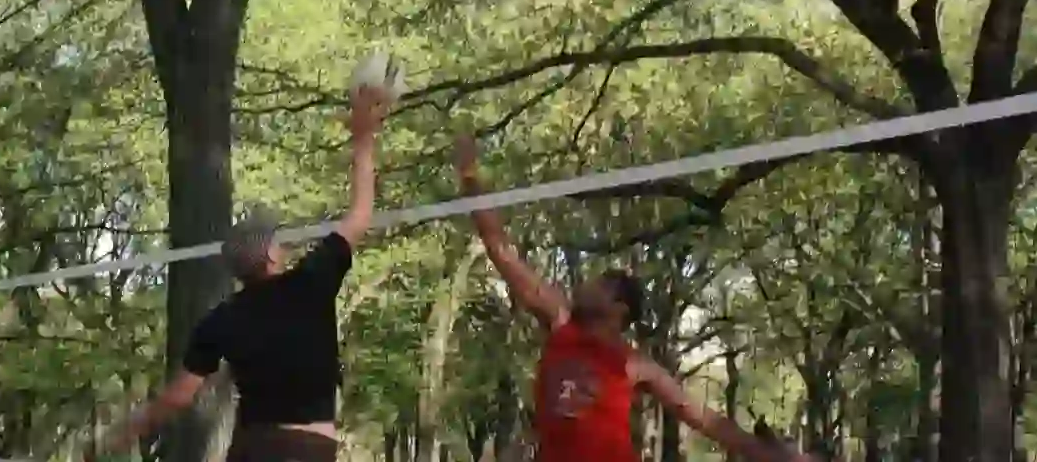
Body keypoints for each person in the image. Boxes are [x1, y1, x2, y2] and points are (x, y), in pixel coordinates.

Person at [452, 135, 813, 462]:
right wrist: (470, 175)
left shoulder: (635, 365)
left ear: (619, 309)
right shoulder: (560, 321)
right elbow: (501, 250)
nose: (588, 283)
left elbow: (707, 421)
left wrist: (776, 457)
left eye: (602, 283)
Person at [89, 86, 387, 462]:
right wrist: (363, 140)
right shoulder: (311, 282)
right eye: (276, 241)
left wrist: (124, 432)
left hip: (250, 449)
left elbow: (179, 396)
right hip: (307, 450)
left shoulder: (222, 319)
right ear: (270, 256)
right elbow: (360, 214)